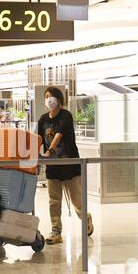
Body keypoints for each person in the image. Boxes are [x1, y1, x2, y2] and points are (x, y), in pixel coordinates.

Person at [37, 87, 94, 244]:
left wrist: (49, 151)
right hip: (53, 167)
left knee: (77, 201)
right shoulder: (43, 119)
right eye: (46, 96)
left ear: (59, 99)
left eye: (52, 96)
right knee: (54, 200)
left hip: (70, 165)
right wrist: (35, 155)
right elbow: (38, 139)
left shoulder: (66, 115)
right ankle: (56, 231)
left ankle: (86, 218)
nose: (49, 99)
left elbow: (58, 135)